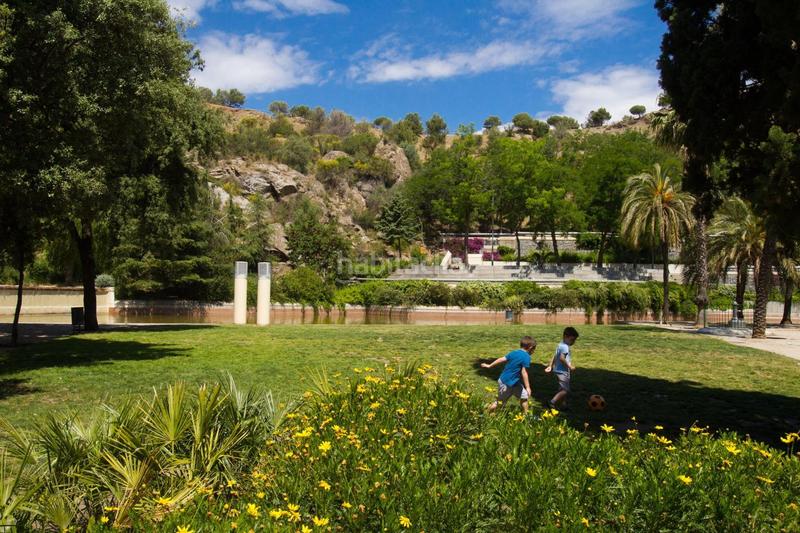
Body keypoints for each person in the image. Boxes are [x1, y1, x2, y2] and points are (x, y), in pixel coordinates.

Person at [481, 336, 537, 414]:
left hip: (514, 382)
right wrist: (528, 387)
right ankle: (485, 413)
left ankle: (526, 415)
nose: (534, 351)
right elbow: (524, 373)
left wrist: (489, 365)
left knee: (524, 397)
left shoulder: (514, 352)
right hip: (506, 383)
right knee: (500, 403)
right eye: (534, 349)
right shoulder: (526, 357)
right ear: (530, 348)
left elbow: (501, 359)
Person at [544, 327, 579, 409]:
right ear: (565, 336)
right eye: (572, 340)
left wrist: (550, 365)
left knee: (562, 389)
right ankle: (552, 402)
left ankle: (563, 405)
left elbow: (555, 356)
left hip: (559, 370)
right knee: (565, 390)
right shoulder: (565, 347)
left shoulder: (561, 344)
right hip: (562, 372)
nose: (573, 342)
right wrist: (570, 366)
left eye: (574, 340)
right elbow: (561, 358)